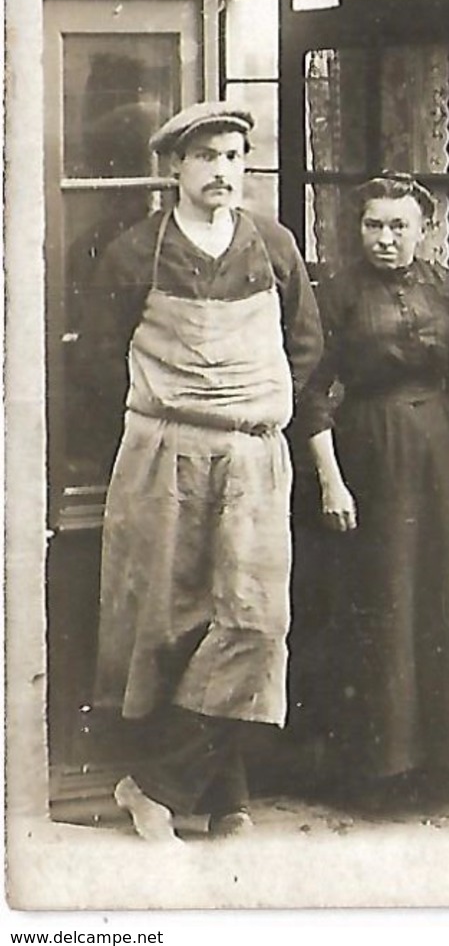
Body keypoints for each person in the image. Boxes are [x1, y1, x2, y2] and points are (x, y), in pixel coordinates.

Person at [86, 102, 324, 842]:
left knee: (253, 621)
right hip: (164, 452)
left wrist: (252, 408)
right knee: (170, 621)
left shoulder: (275, 246)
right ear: (176, 168)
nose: (223, 169)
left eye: (233, 155)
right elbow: (97, 358)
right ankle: (227, 795)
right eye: (207, 156)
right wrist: (164, 418)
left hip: (253, 454)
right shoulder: (135, 252)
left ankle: (155, 784)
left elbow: (307, 347)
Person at [298, 173, 449, 798]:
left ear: (424, 229)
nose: (386, 238)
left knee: (441, 597)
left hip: (440, 449)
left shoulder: (447, 287)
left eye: (399, 225)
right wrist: (331, 480)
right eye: (374, 225)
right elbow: (312, 391)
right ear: (358, 231)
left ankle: (448, 763)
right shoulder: (339, 293)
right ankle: (382, 769)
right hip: (370, 453)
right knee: (384, 598)